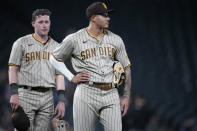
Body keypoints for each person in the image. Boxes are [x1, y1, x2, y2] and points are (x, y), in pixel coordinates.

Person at [50, 2, 132, 131]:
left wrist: (125, 96)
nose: (108, 18)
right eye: (104, 15)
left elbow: (124, 70)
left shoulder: (114, 40)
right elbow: (53, 59)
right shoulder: (75, 41)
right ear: (93, 18)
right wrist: (71, 78)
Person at [8, 9, 65, 131]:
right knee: (23, 128)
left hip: (47, 96)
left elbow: (59, 75)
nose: (44, 25)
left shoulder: (57, 47)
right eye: (40, 22)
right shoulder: (21, 43)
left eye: (47, 22)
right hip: (26, 93)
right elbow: (12, 69)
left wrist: (61, 100)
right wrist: (13, 92)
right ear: (33, 23)